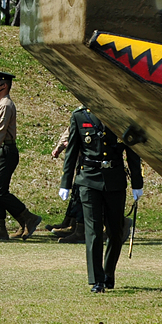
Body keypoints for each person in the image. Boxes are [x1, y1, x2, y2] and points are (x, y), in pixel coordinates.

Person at [59, 106, 143, 291]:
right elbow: (72, 151)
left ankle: (108, 274)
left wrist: (137, 182)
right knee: (93, 230)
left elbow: (132, 150)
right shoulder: (80, 116)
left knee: (115, 230)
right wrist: (66, 182)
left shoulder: (121, 114)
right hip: (88, 179)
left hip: (114, 179)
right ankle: (96, 279)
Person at [0, 70, 44, 241]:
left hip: (4, 150)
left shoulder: (6, 105)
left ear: (4, 85)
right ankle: (4, 226)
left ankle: (28, 218)